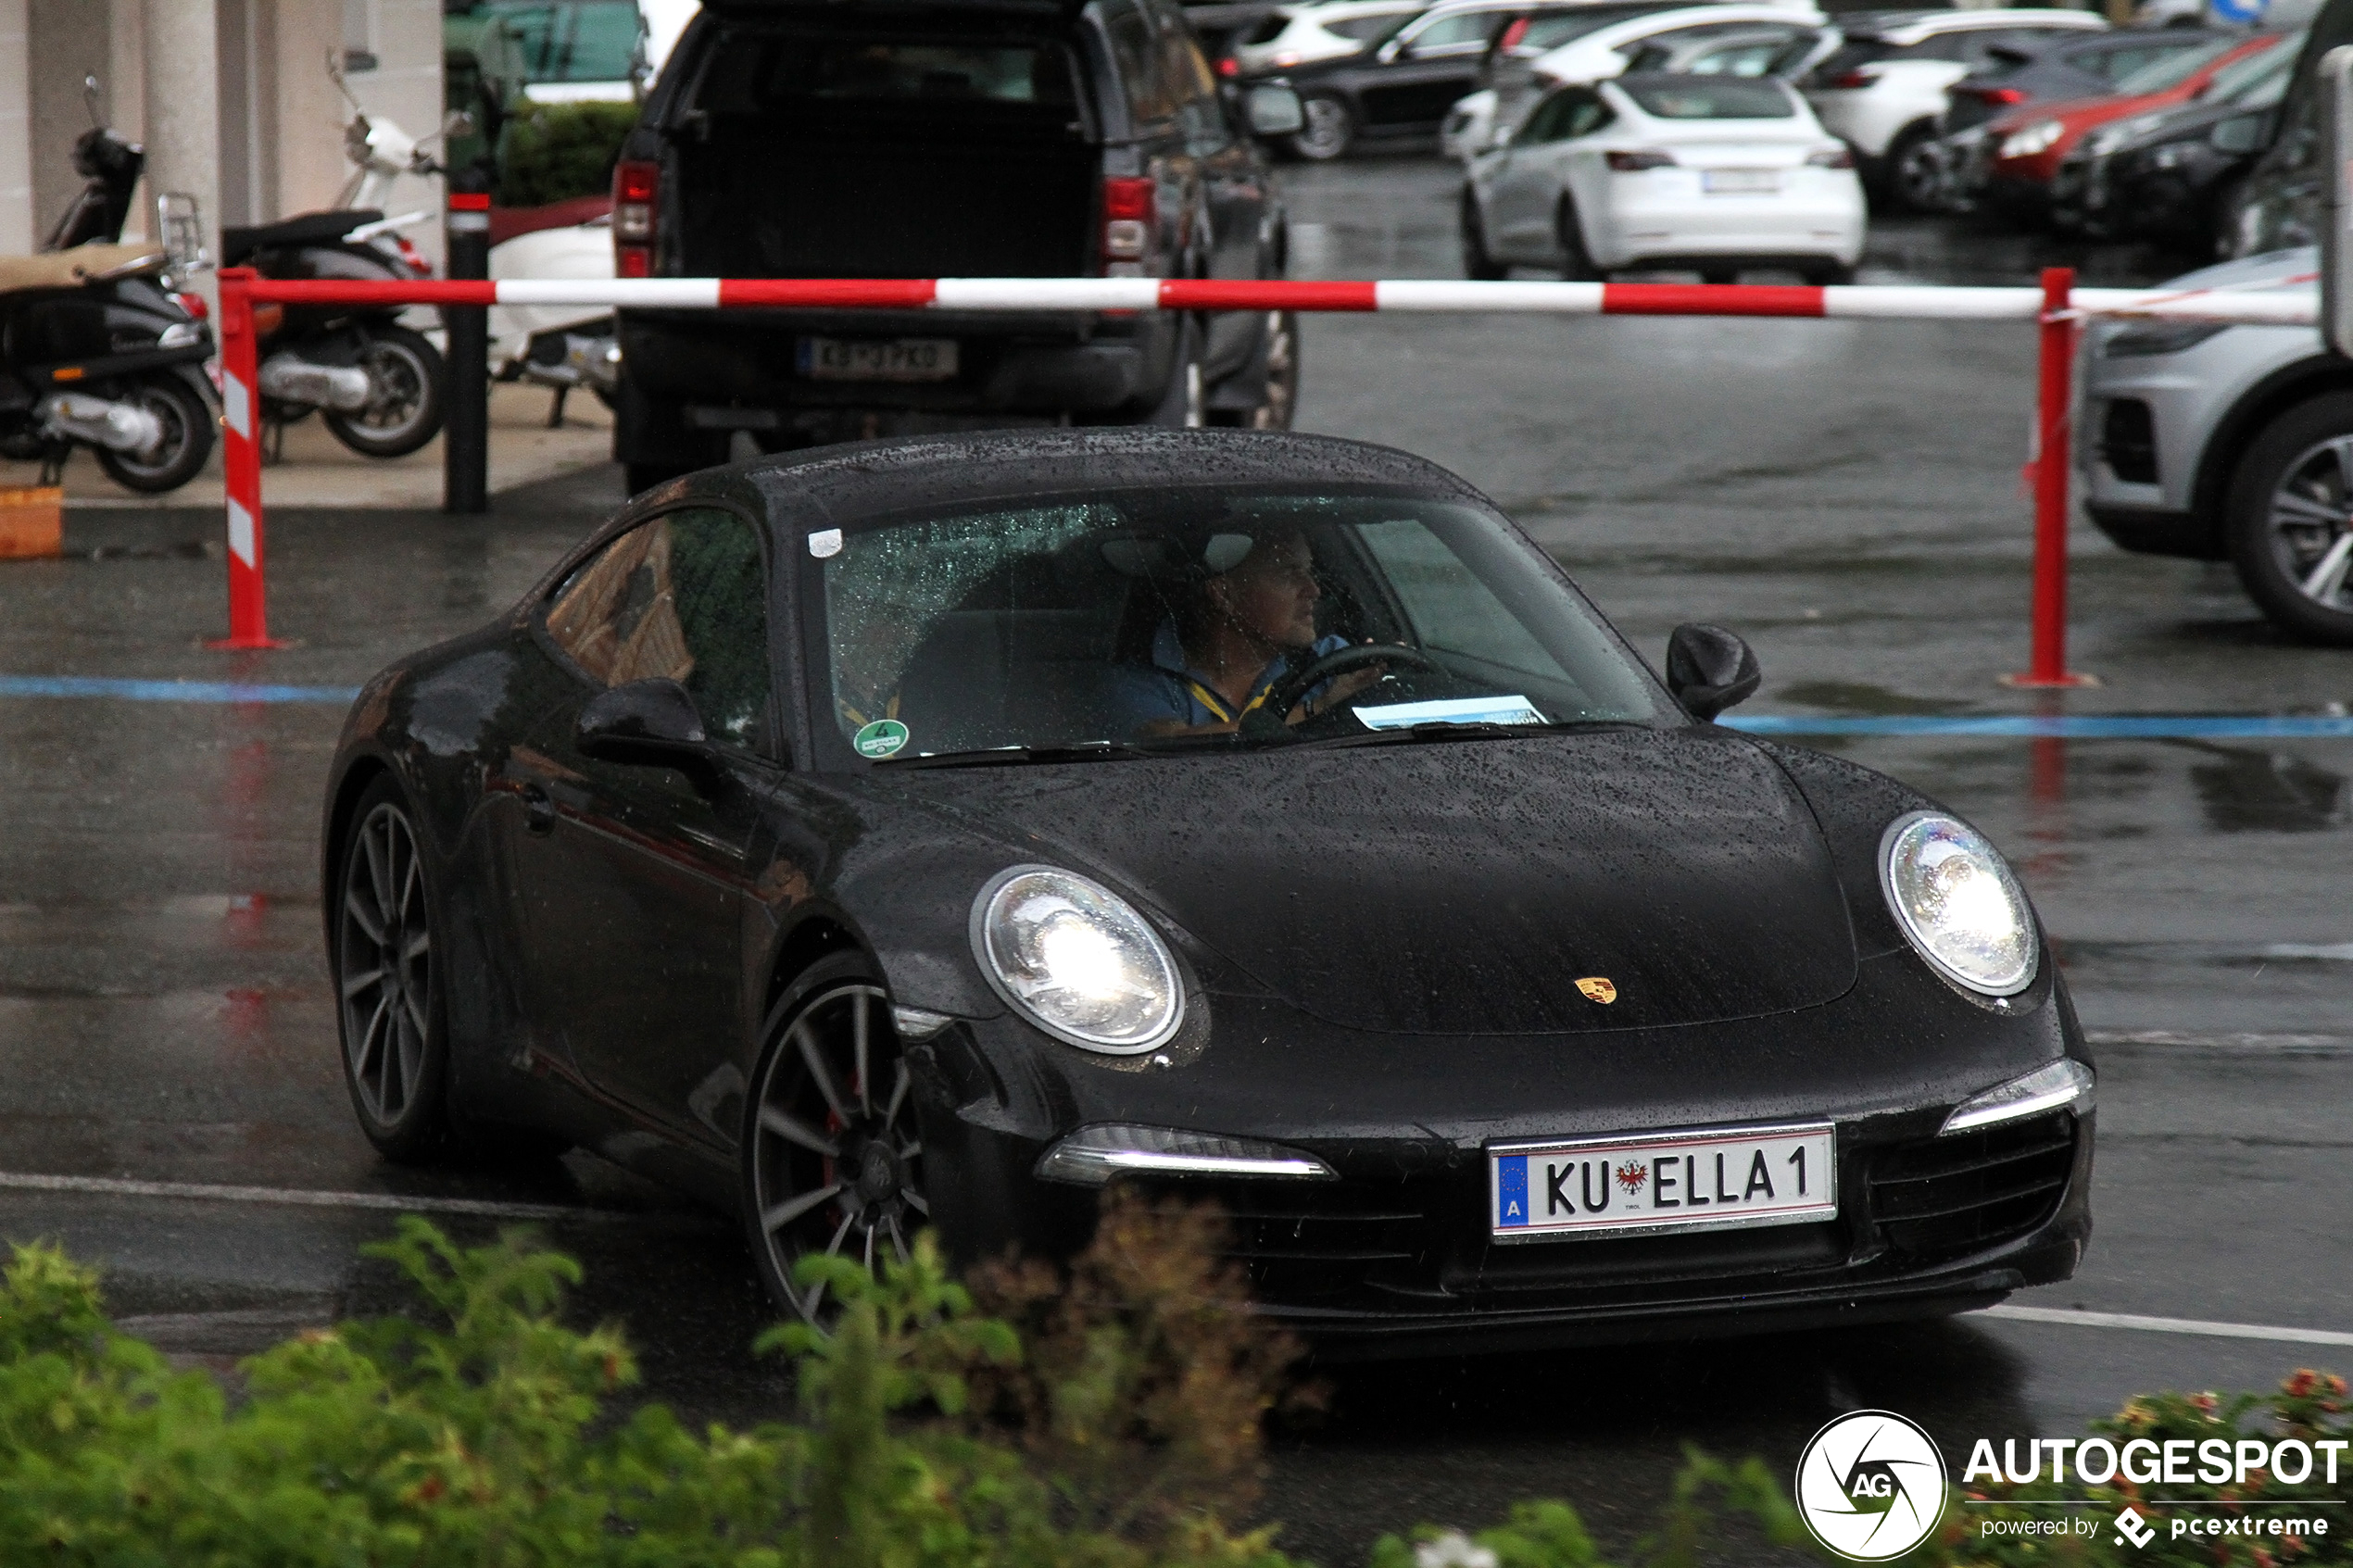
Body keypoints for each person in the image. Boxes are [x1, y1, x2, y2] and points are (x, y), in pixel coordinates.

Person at [1107, 527, 1386, 735]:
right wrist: (1321, 708)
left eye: (1309, 571)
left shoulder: (1333, 662)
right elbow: (1168, 742)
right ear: (1225, 595)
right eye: (1289, 574)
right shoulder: (1146, 680)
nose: (1314, 590)